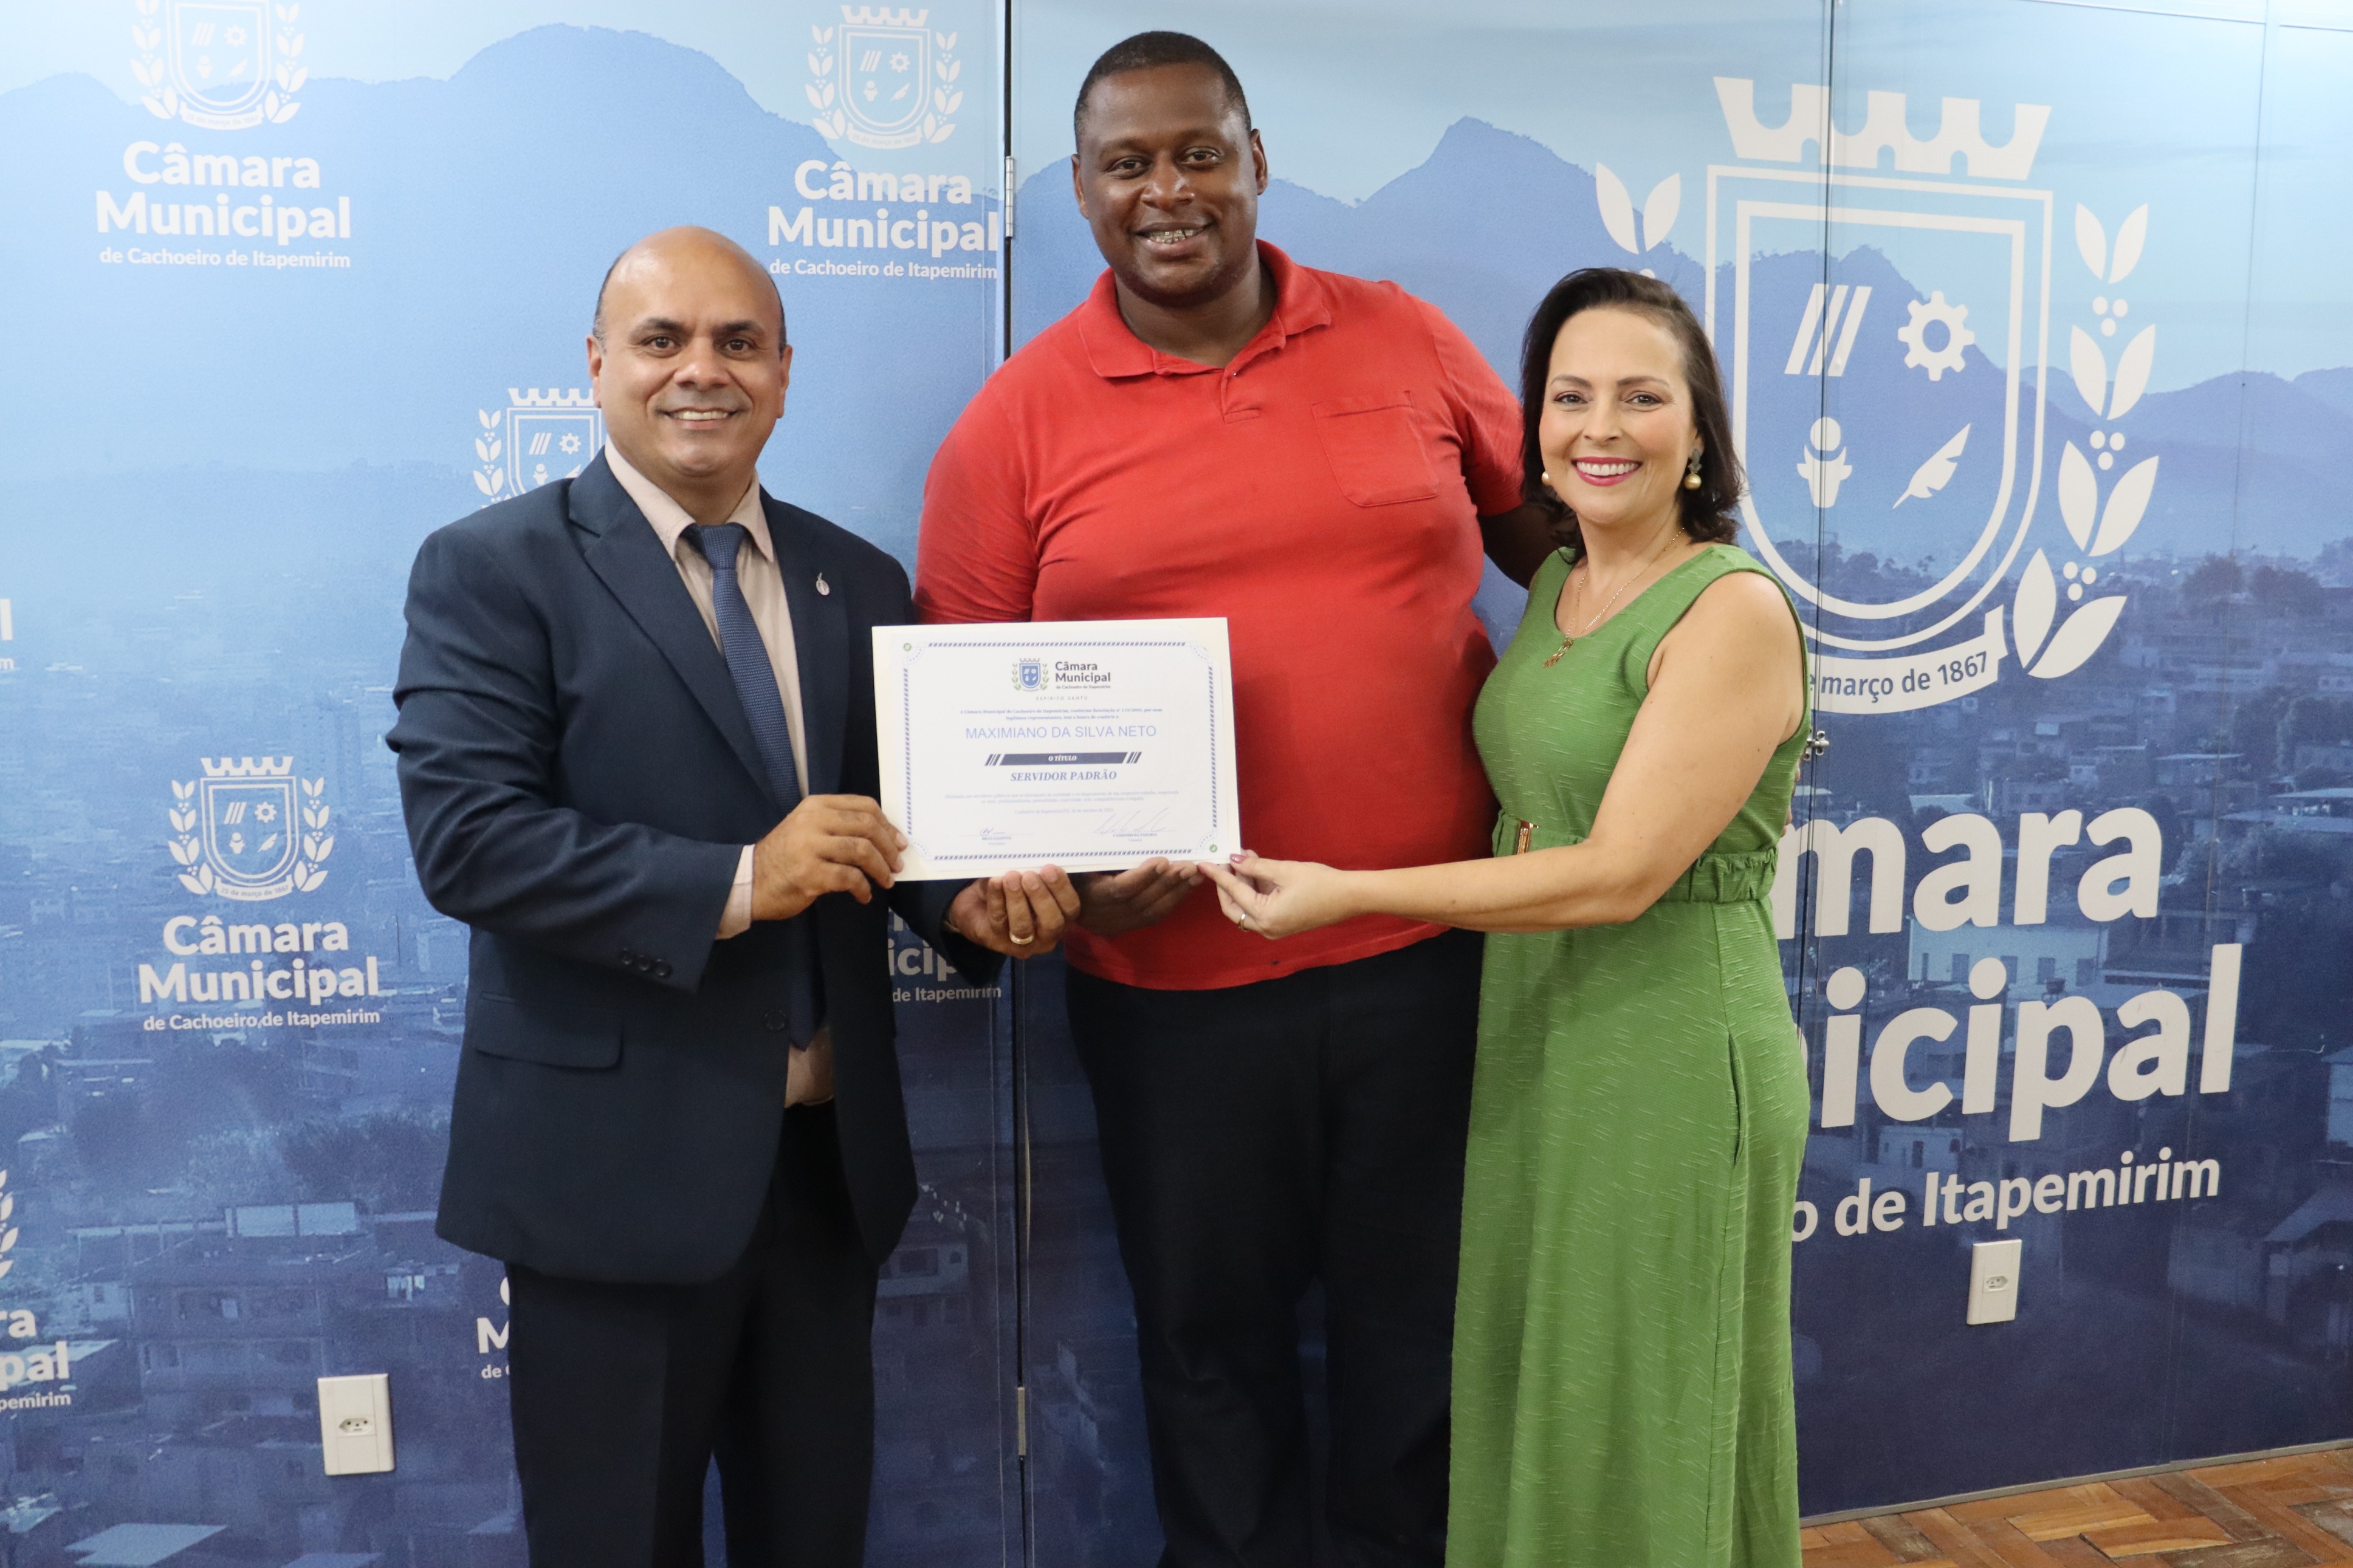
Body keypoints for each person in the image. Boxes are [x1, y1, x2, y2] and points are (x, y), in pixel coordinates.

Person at [916, 31, 1555, 1568]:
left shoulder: (1405, 338)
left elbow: (1556, 546)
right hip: (1172, 991)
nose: (1169, 191)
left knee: (1420, 1332)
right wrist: (1061, 876)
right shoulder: (1015, 420)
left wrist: (1685, 655)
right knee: (1208, 1348)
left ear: (1257, 161)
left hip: (1425, 951)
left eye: (1199, 153)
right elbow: (959, 728)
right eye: (1127, 164)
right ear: (1081, 191)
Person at [388, 225, 1076, 1568]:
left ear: (784, 373)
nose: (701, 370)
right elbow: (468, 842)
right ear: (597, 365)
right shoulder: (493, 566)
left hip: (825, 1178)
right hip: (611, 1185)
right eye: (662, 340)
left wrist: (969, 909)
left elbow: (896, 825)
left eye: (738, 342)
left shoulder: (856, 577)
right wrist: (745, 879)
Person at [1206, 268, 1810, 1568]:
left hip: (1669, 1042)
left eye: (1642, 397)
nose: (1602, 427)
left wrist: (1351, 891)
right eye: (1570, 397)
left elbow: (1616, 873)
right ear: (1532, 426)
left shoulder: (1733, 607)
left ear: (1699, 429)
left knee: (1649, 1399)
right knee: (1547, 1386)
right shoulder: (1559, 586)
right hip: (1539, 1029)